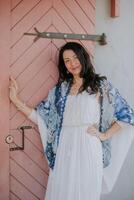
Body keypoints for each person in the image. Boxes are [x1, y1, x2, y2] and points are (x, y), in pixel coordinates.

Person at [9, 42, 134, 200]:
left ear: (83, 58)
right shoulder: (60, 90)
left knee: (86, 191)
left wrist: (105, 135)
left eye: (75, 58)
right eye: (67, 60)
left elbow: (128, 115)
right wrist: (16, 101)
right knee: (63, 191)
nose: (72, 63)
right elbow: (41, 117)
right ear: (63, 65)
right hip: (64, 148)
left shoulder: (101, 86)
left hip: (89, 146)